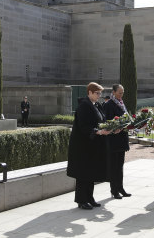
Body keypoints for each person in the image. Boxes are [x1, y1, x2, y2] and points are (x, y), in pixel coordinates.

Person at [67, 82, 110, 210]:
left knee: (91, 172)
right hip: (83, 146)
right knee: (83, 174)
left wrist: (110, 128)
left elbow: (102, 120)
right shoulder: (84, 106)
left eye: (100, 93)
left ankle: (89, 198)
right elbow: (84, 126)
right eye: (97, 93)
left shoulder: (96, 105)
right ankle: (81, 200)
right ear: (90, 92)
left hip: (92, 145)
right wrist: (97, 131)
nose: (99, 95)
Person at [102, 84, 131, 199]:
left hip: (122, 140)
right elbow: (107, 121)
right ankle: (114, 190)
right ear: (113, 92)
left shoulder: (121, 103)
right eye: (119, 92)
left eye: (122, 92)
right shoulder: (108, 104)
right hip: (113, 141)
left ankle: (120, 188)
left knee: (120, 166)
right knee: (114, 166)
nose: (121, 94)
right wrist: (115, 127)